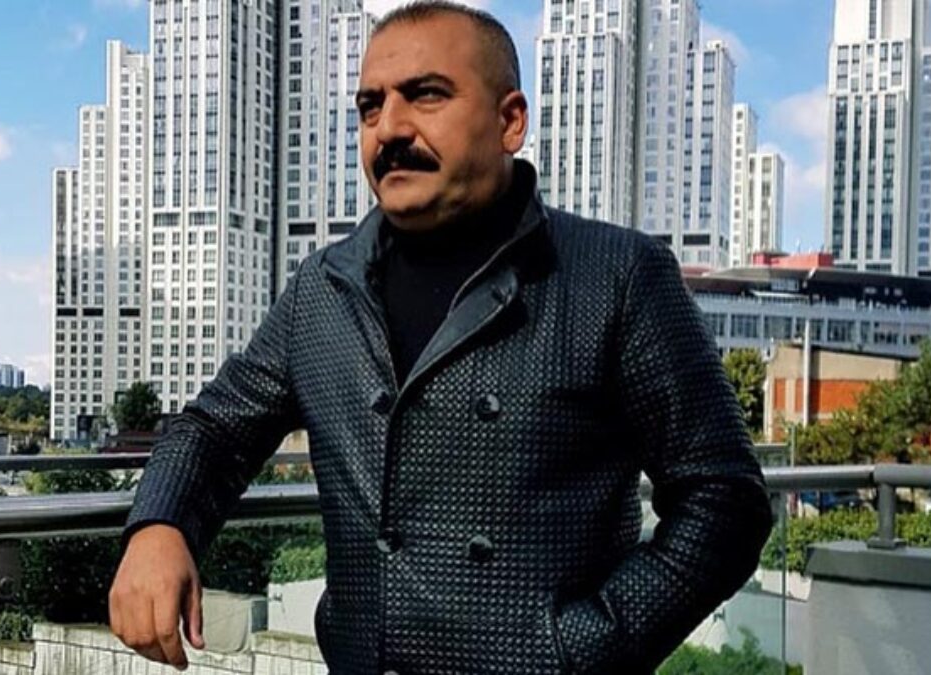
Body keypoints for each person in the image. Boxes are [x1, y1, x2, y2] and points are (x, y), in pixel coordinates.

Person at [108, 2, 773, 673]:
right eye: (370, 106)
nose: (390, 128)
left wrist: (580, 650)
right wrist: (160, 525)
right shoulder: (323, 289)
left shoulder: (616, 275)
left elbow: (725, 500)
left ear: (510, 121)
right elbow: (215, 429)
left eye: (426, 95)